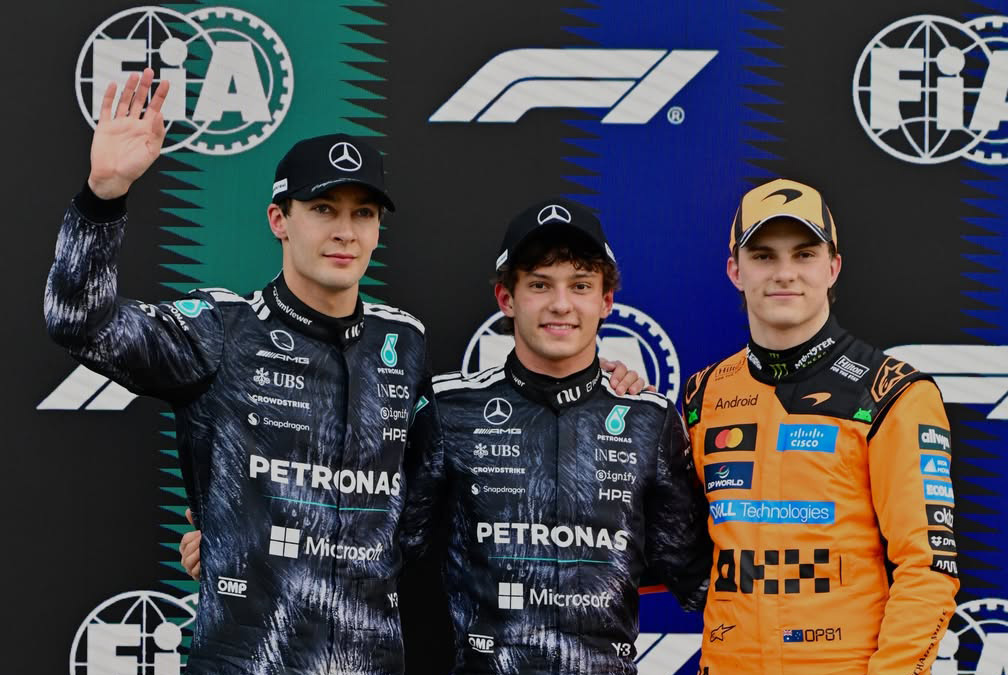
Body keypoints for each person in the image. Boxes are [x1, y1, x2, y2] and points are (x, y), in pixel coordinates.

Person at [51, 69, 643, 675]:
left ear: (379, 229)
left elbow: (422, 508)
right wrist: (103, 196)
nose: (344, 231)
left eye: (363, 213)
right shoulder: (222, 329)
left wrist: (598, 389)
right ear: (279, 219)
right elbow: (80, 323)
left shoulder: (402, 341)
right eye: (322, 209)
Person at [184, 199, 713, 673]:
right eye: (539, 285)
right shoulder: (449, 409)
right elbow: (373, 532)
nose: (560, 304)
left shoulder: (649, 420)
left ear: (607, 301)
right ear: (506, 298)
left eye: (580, 286)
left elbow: (695, 572)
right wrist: (242, 545)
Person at [683, 179, 960, 675]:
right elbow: (673, 546)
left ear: (832, 268)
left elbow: (928, 568)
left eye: (804, 254)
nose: (784, 273)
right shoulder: (704, 395)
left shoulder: (891, 392)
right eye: (763, 256)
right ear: (735, 271)